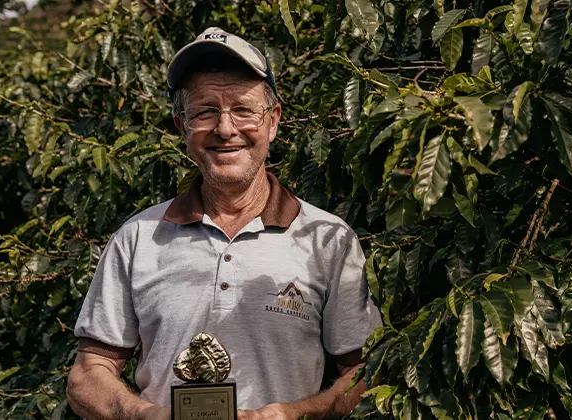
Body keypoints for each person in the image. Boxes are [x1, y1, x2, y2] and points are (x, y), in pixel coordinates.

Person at [66, 27, 381, 420]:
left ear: (273, 121)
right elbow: (87, 375)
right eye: (205, 111)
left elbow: (365, 372)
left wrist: (293, 414)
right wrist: (141, 414)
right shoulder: (137, 239)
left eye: (244, 109)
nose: (225, 129)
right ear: (182, 127)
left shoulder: (327, 240)